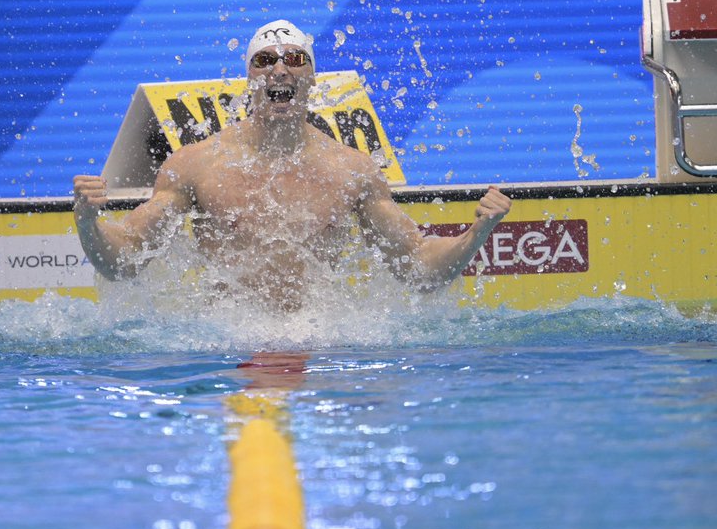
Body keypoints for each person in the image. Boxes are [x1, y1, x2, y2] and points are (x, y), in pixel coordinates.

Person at [73, 19, 513, 312]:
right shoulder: (197, 165)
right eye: (265, 60)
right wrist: (88, 224)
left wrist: (476, 234)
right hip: (228, 340)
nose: (280, 70)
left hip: (318, 337)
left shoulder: (352, 170)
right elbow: (124, 262)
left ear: (312, 78)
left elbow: (416, 267)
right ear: (249, 78)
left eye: (295, 59)